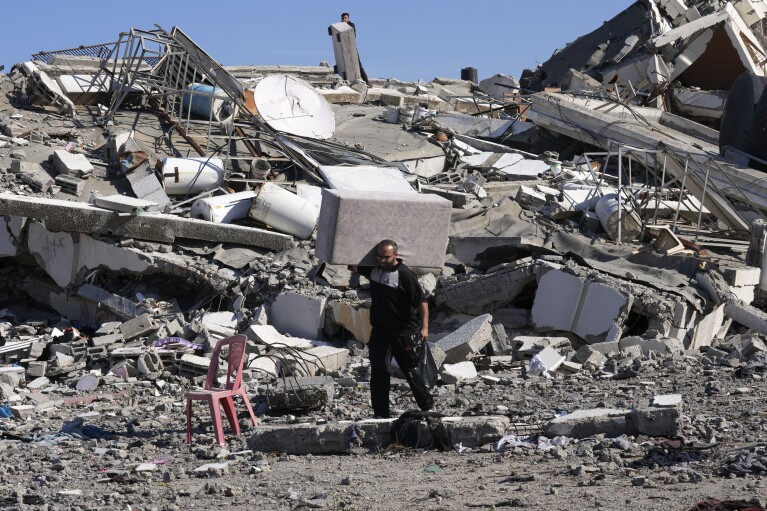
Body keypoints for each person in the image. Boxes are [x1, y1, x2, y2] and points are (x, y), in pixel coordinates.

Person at [358, 239, 432, 418]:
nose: (381, 260)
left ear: (395, 255)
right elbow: (352, 264)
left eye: (386, 257)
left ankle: (427, 406)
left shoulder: (405, 274)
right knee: (379, 369)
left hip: (404, 332)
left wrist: (425, 327)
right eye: (379, 257)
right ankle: (381, 412)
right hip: (380, 331)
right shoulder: (373, 270)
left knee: (411, 370)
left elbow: (422, 301)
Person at [340, 12, 369, 84]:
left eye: (345, 18)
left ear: (348, 18)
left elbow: (352, 35)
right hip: (344, 49)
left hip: (352, 48)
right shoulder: (340, 26)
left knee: (358, 64)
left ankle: (366, 80)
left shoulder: (351, 25)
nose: (344, 19)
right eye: (343, 18)